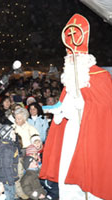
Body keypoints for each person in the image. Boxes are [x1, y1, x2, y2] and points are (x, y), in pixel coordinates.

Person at [40, 14, 112, 200]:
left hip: (92, 134)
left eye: (74, 57)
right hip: (71, 134)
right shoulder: (70, 79)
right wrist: (59, 112)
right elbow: (64, 103)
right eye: (68, 58)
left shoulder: (100, 76)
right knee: (68, 178)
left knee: (90, 180)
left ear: (84, 57)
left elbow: (107, 108)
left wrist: (87, 107)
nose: (70, 60)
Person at [0, 124, 19, 200]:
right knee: (9, 196)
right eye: (12, 133)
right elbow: (6, 167)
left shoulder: (2, 144)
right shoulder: (7, 149)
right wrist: (11, 181)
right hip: (7, 181)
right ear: (7, 135)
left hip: (3, 179)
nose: (15, 135)